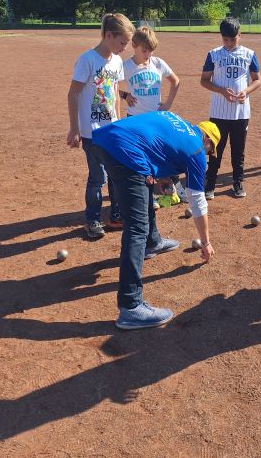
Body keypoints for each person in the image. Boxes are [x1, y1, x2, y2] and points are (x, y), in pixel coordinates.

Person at [93, 112, 220, 330]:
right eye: (211, 150)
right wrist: (206, 242)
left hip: (105, 141)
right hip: (126, 153)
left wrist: (162, 177)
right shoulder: (197, 150)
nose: (207, 155)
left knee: (145, 187)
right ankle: (131, 307)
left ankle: (154, 242)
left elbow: (153, 142)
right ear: (207, 140)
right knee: (136, 227)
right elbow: (198, 202)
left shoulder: (179, 121)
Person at [67, 13, 132, 238]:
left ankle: (116, 216)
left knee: (116, 174)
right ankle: (92, 220)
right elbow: (73, 94)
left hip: (111, 128)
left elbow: (114, 91)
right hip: (91, 131)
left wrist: (119, 122)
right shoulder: (87, 60)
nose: (125, 47)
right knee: (98, 177)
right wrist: (74, 128)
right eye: (122, 42)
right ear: (108, 35)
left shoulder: (116, 61)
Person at [119, 25, 186, 203]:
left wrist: (168, 104)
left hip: (156, 119)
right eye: (145, 50)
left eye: (151, 50)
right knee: (142, 159)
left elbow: (175, 81)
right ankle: (149, 196)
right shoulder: (125, 66)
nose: (148, 54)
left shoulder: (158, 63)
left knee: (165, 154)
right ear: (134, 45)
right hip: (135, 120)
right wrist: (125, 95)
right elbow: (110, 87)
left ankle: (177, 188)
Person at [201, 17, 261, 199]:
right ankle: (210, 184)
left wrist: (246, 91)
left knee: (238, 150)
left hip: (241, 112)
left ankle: (237, 183)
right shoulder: (214, 54)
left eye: (233, 39)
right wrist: (221, 91)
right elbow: (204, 80)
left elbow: (257, 79)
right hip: (218, 111)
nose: (228, 43)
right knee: (214, 149)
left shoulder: (249, 54)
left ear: (239, 35)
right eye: (225, 39)